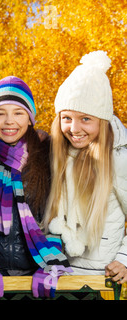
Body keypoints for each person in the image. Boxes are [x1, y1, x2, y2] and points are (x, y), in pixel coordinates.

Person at [0, 76, 72, 300]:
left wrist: (48, 266)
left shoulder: (47, 154)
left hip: (36, 266)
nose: (9, 121)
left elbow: (55, 214)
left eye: (19, 113)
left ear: (30, 118)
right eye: (0, 113)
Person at [43, 51, 127, 284]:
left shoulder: (118, 157)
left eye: (85, 119)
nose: (74, 128)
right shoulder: (58, 151)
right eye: (67, 118)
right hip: (61, 272)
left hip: (104, 275)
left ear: (102, 119)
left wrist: (124, 259)